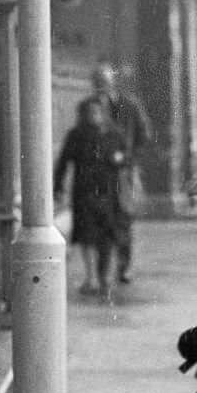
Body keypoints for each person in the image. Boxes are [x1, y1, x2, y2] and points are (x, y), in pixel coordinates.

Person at [53, 96, 127, 299]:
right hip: (84, 193)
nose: (94, 116)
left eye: (97, 112)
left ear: (104, 114)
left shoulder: (114, 134)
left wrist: (119, 159)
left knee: (107, 236)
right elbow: (63, 162)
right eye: (90, 112)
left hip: (109, 193)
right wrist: (58, 187)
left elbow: (126, 156)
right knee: (86, 236)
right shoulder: (76, 135)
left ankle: (103, 276)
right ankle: (92, 277)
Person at [89, 61, 152, 283]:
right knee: (102, 221)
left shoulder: (130, 105)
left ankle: (124, 267)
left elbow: (144, 136)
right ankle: (102, 271)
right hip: (101, 176)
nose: (101, 87)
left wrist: (129, 159)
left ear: (112, 83)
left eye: (104, 82)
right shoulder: (89, 107)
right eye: (97, 83)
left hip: (125, 173)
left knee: (124, 220)